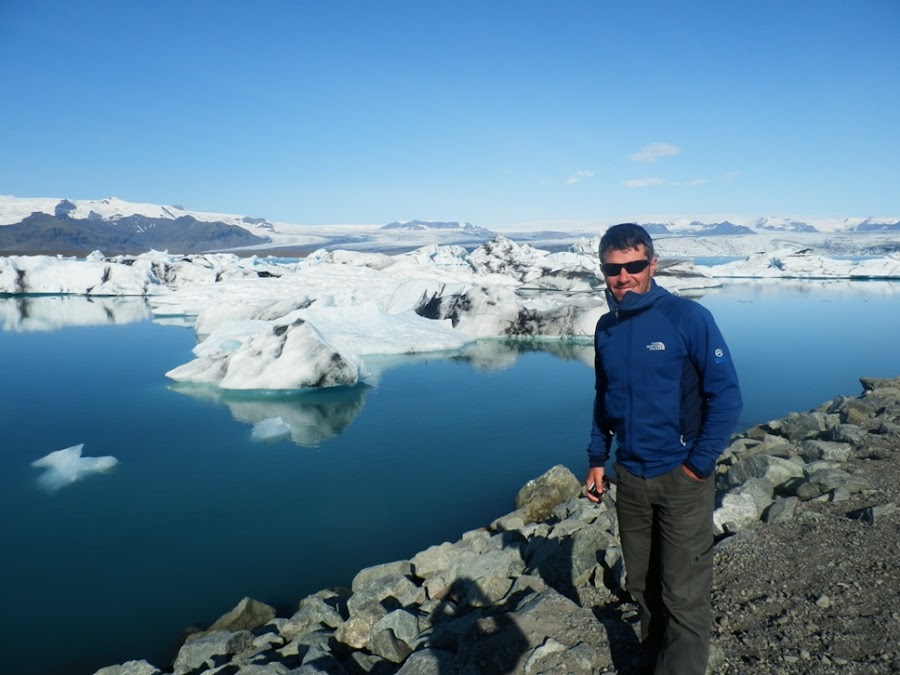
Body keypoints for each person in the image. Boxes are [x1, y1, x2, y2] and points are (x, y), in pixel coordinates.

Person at [585, 223, 742, 674]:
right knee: (643, 586)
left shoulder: (687, 318)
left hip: (680, 477)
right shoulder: (606, 328)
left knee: (683, 594)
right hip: (631, 477)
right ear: (604, 271)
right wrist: (598, 458)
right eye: (614, 269)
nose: (624, 277)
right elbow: (604, 396)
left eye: (634, 265)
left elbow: (726, 395)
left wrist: (697, 465)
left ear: (652, 264)